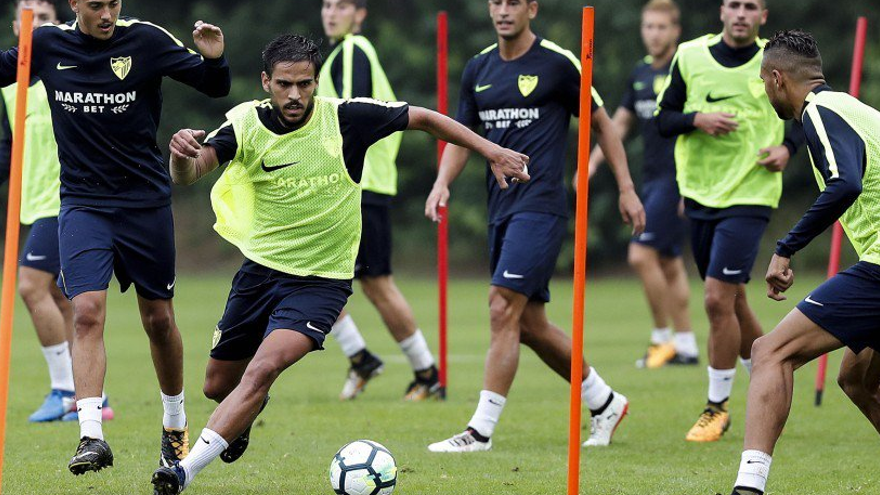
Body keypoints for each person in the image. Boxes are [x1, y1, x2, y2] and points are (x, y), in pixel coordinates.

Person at [150, 34, 529, 494]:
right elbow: (191, 174)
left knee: (263, 368)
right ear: (266, 81)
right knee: (216, 385)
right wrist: (179, 157)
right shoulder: (245, 124)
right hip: (259, 274)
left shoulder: (347, 118)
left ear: (315, 81)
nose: (295, 95)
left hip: (321, 281)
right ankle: (243, 413)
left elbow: (425, 118)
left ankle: (183, 473)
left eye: (305, 84)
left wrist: (492, 151)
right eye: (285, 84)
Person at [0, 0, 231, 474]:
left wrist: (213, 57)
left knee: (159, 321)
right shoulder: (45, 44)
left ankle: (174, 424)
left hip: (144, 204)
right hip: (84, 205)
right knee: (85, 311)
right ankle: (90, 435)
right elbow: (5, 70)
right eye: (95, 4)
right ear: (74, 5)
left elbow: (215, 86)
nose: (106, 13)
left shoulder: (145, 39)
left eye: (113, 3)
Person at [425, 0, 645, 452]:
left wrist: (625, 187)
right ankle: (603, 401)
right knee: (528, 324)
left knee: (501, 306)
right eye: (497, 2)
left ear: (532, 8)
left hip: (541, 206)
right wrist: (441, 182)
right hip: (499, 210)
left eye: (513, 2)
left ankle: (479, 432)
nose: (504, 10)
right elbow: (461, 135)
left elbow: (602, 125)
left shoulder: (558, 64)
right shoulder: (477, 68)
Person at [728, 30, 880, 495]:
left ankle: (748, 487)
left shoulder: (819, 112)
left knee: (769, 351)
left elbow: (845, 184)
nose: (766, 90)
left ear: (777, 79)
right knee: (857, 379)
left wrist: (785, 247)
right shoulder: (857, 109)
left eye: (763, 82)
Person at [655, 0, 803, 442]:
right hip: (700, 193)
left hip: (752, 193)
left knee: (717, 299)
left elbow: (808, 112)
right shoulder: (690, 55)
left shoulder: (777, 60)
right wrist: (697, 119)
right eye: (734, 5)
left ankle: (716, 408)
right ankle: (770, 368)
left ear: (764, 15)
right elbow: (663, 120)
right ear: (722, 11)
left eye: (750, 6)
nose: (741, 13)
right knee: (732, 302)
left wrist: (788, 150)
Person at [318, 0, 441, 401]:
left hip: (359, 186)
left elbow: (356, 117)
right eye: (326, 5)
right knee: (323, 275)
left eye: (341, 5)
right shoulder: (340, 54)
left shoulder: (353, 51)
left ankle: (424, 373)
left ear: (361, 13)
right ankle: (367, 359)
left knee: (369, 282)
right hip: (357, 186)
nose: (331, 13)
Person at [0, 0, 115, 424]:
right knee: (60, 298)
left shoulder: (66, 71)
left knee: (30, 286)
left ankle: (64, 389)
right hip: (33, 203)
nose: (37, 25)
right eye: (29, 17)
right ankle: (94, 397)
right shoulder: (10, 85)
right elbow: (10, 149)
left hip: (64, 199)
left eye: (45, 18)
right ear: (16, 26)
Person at [588, 0, 698, 369]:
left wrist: (693, 185)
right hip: (650, 178)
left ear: (675, 31)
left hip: (678, 178)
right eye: (649, 26)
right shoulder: (639, 74)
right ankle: (685, 345)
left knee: (640, 255)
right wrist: (592, 162)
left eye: (661, 27)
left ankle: (661, 339)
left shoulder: (687, 70)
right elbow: (619, 123)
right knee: (667, 261)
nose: (654, 33)